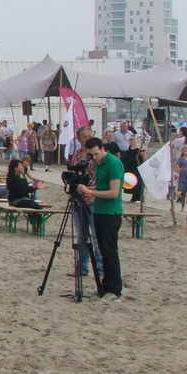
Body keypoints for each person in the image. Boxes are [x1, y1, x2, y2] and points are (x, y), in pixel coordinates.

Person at [78, 136, 124, 301]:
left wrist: (90, 192)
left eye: (96, 154)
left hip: (111, 212)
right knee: (103, 250)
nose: (94, 158)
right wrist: (88, 188)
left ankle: (115, 288)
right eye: (91, 155)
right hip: (99, 210)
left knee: (110, 251)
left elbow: (114, 192)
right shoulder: (98, 164)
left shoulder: (113, 164)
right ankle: (106, 284)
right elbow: (102, 185)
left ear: (103, 149)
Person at [67, 125, 102, 280]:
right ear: (79, 139)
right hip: (78, 200)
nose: (88, 139)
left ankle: (100, 269)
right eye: (85, 137)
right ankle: (81, 267)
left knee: (96, 236)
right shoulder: (77, 155)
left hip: (92, 198)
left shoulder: (96, 156)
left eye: (90, 136)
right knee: (81, 236)